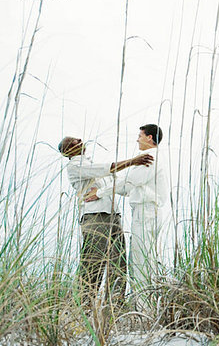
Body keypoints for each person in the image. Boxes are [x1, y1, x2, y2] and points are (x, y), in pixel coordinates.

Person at [58, 136, 153, 309]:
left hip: (113, 217)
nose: (79, 140)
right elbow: (106, 169)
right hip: (95, 217)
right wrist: (133, 161)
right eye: (72, 142)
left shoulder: (90, 164)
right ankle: (84, 308)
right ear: (67, 152)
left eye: (78, 139)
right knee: (93, 263)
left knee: (119, 263)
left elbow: (118, 184)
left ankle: (115, 307)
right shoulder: (75, 166)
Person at [85, 124, 169, 307]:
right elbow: (126, 187)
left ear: (149, 137)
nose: (137, 139)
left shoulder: (150, 158)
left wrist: (99, 193)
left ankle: (145, 308)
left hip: (146, 211)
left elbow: (129, 182)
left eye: (140, 135)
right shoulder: (149, 159)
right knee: (142, 258)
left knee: (141, 261)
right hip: (145, 211)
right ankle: (144, 305)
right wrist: (107, 186)